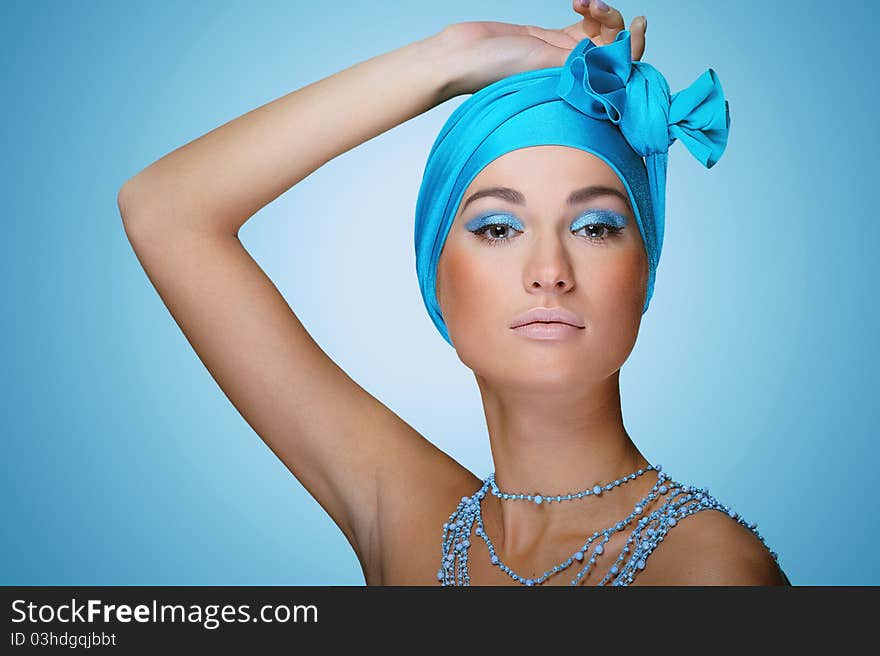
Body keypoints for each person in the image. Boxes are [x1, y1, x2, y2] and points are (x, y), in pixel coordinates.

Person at [117, 0, 790, 586]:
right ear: (433, 276)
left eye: (595, 226)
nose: (549, 270)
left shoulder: (708, 570)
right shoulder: (406, 515)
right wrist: (446, 60)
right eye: (499, 227)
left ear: (645, 266)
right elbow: (164, 209)